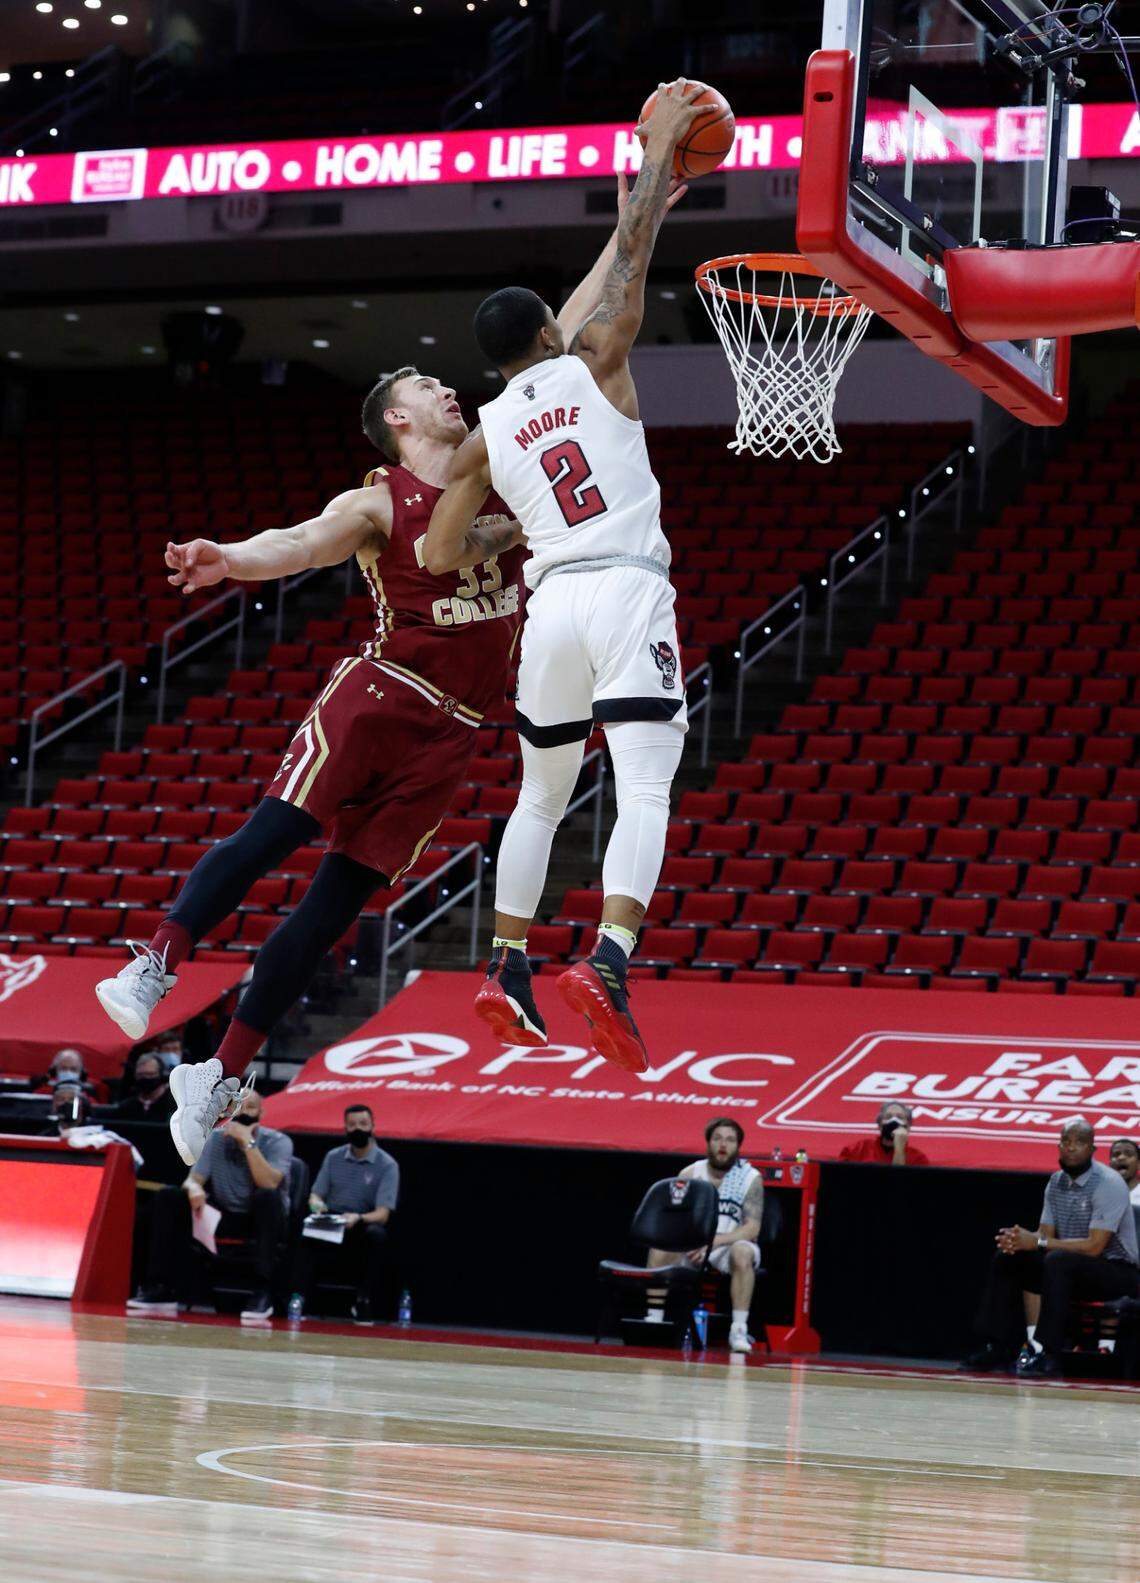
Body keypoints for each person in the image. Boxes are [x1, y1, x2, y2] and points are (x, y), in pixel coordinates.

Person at [93, 364, 529, 1169]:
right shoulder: (375, 500)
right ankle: (156, 963)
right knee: (270, 836)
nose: (447, 390)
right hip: (383, 693)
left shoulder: (501, 472)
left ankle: (219, 1074)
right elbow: (297, 543)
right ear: (397, 416)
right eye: (427, 385)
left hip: (456, 731)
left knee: (332, 914)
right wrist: (227, 556)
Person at [423, 82, 702, 1075]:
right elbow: (625, 274)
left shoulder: (489, 432)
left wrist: (517, 516)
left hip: (550, 605)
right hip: (626, 588)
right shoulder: (596, 363)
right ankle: (611, 961)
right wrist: (658, 160)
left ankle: (504, 963)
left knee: (540, 798)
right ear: (549, 330)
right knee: (645, 787)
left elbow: (436, 557)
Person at [963, 1119, 1140, 1377]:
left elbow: (1095, 1246)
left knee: (1058, 1260)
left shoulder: (1108, 1183)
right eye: (1066, 1142)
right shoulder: (1055, 1183)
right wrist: (1021, 1240)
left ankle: (1047, 1352)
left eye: (1079, 1142)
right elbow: (1044, 1236)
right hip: (1068, 1268)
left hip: (1117, 1272)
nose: (1071, 1148)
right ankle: (996, 1345)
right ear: (1058, 1146)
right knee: (1009, 1257)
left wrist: (1037, 1242)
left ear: (1092, 1149)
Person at [127, 1088, 293, 1323]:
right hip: (223, 1217)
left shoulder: (279, 1141)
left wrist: (247, 1142)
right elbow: (194, 1180)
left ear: (262, 1112)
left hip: (263, 1220)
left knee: (268, 1198)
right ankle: (160, 1287)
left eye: (251, 1107)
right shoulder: (216, 1138)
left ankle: (262, 1292)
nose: (243, 1112)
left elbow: (268, 1183)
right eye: (237, 1107)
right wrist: (194, 1189)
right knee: (169, 1196)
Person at [646, 1117, 764, 1355]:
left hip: (728, 1243)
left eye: (730, 1140)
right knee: (660, 1246)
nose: (723, 1144)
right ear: (708, 1142)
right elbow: (675, 1220)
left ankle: (739, 1330)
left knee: (743, 1252)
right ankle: (654, 1320)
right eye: (717, 1138)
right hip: (693, 1243)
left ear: (738, 1146)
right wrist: (691, 1240)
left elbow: (752, 1228)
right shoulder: (690, 1173)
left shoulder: (751, 1177)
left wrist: (713, 1242)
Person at [289, 1104, 400, 1325]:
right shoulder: (333, 1157)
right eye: (352, 1125)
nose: (357, 1129)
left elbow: (383, 1213)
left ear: (372, 1126)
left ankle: (363, 1300)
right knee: (301, 1232)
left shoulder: (387, 1165)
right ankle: (298, 1299)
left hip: (361, 1223)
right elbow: (316, 1195)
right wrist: (317, 1206)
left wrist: (358, 1218)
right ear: (345, 1128)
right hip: (332, 1222)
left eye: (363, 1124)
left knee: (377, 1235)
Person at [839, 1102, 930, 1167]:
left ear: (908, 1126)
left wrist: (899, 1150)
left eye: (900, 1117)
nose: (894, 1121)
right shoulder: (856, 1150)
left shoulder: (918, 1159)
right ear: (879, 1125)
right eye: (888, 1117)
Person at [108, 1050, 176, 1122]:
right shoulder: (127, 1106)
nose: (145, 1078)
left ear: (161, 1075)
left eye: (150, 1074)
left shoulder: (174, 1104)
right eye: (140, 1075)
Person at [1109, 1138, 1140, 1207]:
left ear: (1138, 1163)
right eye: (1116, 1154)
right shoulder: (1099, 1192)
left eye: (1129, 1154)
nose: (1121, 1157)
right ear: (1110, 1164)